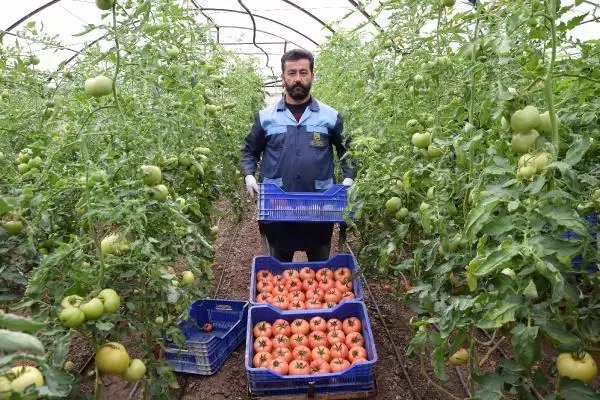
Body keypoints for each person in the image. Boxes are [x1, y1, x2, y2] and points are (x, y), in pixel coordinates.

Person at [241, 49, 354, 262]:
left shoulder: (330, 116)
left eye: (303, 72)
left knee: (320, 273)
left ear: (312, 75)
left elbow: (348, 150)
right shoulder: (266, 117)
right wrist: (249, 174)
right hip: (278, 207)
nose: (298, 79)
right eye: (292, 73)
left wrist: (349, 177)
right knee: (278, 273)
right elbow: (249, 150)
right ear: (283, 77)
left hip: (320, 208)